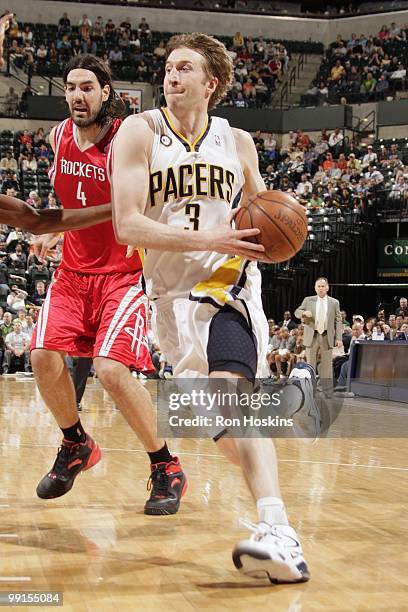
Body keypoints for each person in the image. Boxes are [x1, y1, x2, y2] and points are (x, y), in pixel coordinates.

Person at [111, 33, 309, 583]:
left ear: (210, 83)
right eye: (168, 67)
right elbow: (126, 223)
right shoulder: (139, 132)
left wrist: (266, 236)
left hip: (229, 290)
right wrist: (212, 239)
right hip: (171, 304)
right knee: (222, 427)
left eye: (184, 68)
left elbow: (263, 224)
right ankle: (273, 518)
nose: (170, 76)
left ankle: (279, 530)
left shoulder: (237, 141)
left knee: (230, 393)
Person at [30, 54, 185, 515]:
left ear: (105, 91)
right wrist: (60, 228)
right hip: (73, 273)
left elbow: (144, 203)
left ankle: (166, 466)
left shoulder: (127, 139)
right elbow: (70, 199)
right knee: (41, 356)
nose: (78, 96)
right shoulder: (58, 136)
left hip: (122, 273)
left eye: (87, 87)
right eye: (71, 87)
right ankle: (76, 442)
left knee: (112, 371)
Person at [295, 277, 343, 389]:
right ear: (315, 288)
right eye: (318, 286)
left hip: (327, 336)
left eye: (322, 286)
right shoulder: (308, 300)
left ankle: (327, 390)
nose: (320, 288)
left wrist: (339, 338)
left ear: (327, 287)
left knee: (327, 366)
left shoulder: (334, 302)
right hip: (312, 336)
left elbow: (338, 320)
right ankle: (310, 389)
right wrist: (304, 312)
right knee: (310, 365)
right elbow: (297, 312)